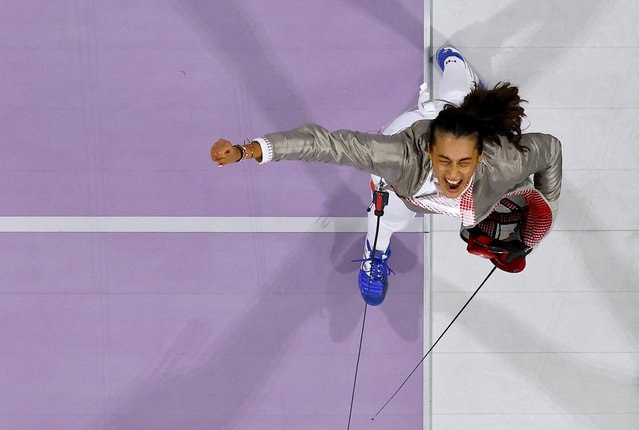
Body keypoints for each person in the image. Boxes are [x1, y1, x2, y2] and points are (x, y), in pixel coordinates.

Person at [210, 46, 562, 306]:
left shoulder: (505, 162)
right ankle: (375, 255)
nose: (452, 174)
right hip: (406, 165)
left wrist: (545, 209)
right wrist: (248, 150)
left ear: (481, 156)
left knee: (458, 97)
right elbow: (326, 144)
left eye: (464, 163)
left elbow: (552, 151)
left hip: (456, 123)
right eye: (444, 162)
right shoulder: (399, 161)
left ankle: (457, 66)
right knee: (386, 219)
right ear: (429, 153)